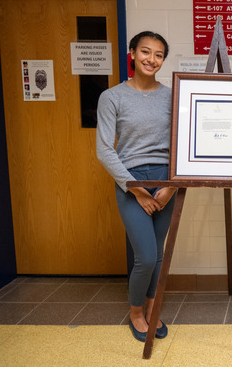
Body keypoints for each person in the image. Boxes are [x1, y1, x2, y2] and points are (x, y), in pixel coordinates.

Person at [96, 31, 176, 342]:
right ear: (132, 53)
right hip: (130, 180)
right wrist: (137, 190)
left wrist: (171, 185)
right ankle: (135, 311)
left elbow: (181, 146)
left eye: (158, 55)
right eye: (145, 51)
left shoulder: (172, 96)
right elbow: (105, 149)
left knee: (157, 254)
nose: (151, 59)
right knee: (144, 255)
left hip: (166, 180)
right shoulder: (112, 97)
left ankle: (153, 307)